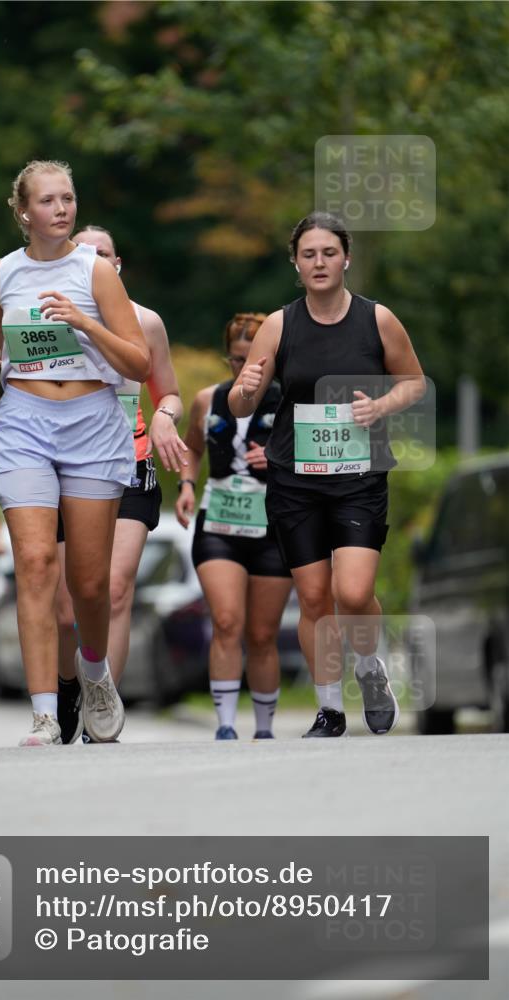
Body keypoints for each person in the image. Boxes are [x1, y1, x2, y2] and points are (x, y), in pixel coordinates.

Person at [0, 159, 150, 747]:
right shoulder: (0, 274)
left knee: (90, 583)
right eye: (48, 201)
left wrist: (84, 323)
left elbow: (138, 362)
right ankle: (45, 713)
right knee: (34, 563)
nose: (61, 209)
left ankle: (94, 673)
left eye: (68, 198)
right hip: (24, 421)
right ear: (23, 212)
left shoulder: (96, 271)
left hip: (92, 423)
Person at [229, 212, 427, 738]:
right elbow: (240, 401)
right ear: (296, 263)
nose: (319, 262)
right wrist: (247, 385)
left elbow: (414, 382)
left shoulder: (376, 319)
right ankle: (329, 709)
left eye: (329, 253)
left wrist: (381, 406)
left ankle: (369, 668)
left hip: (359, 473)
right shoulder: (279, 324)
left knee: (354, 592)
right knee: (314, 597)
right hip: (295, 475)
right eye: (309, 254)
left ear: (347, 258)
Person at [53, 226, 187, 743]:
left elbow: (169, 392)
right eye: (82, 253)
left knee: (115, 588)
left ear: (118, 264)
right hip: (68, 467)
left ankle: (101, 702)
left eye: (102, 253)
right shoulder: (52, 314)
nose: (92, 260)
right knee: (69, 605)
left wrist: (164, 418)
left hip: (129, 463)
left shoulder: (146, 322)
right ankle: (70, 683)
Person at [175, 313, 294, 740]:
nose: (244, 369)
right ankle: (225, 724)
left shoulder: (290, 401)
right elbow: (191, 446)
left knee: (262, 633)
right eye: (236, 360)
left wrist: (281, 459)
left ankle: (264, 729)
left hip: (272, 526)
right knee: (226, 621)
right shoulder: (209, 399)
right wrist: (187, 483)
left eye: (253, 360)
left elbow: (316, 463)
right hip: (219, 522)